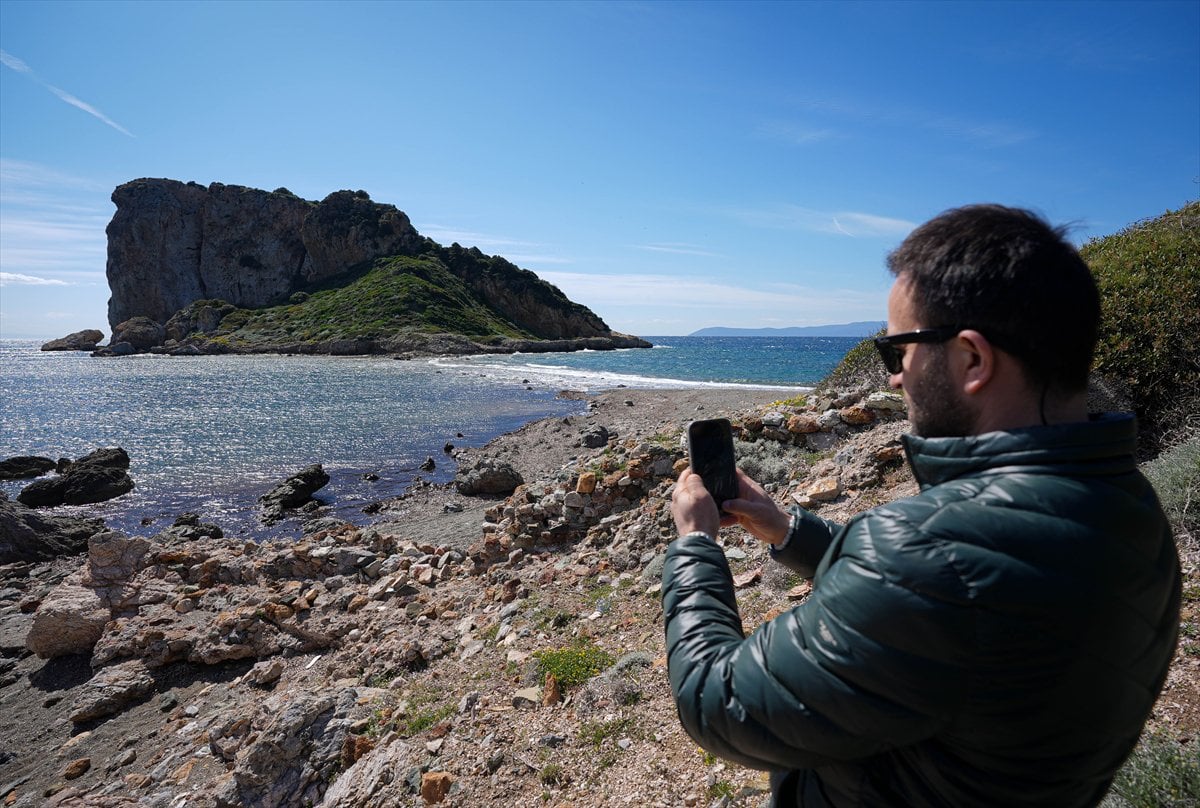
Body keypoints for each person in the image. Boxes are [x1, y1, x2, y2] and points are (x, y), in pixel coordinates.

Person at [663, 204, 1181, 807]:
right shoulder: (1130, 508)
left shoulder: (931, 554)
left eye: (897, 351)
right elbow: (968, 594)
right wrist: (785, 528)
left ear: (971, 360)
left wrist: (694, 545)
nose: (893, 378)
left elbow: (715, 703)